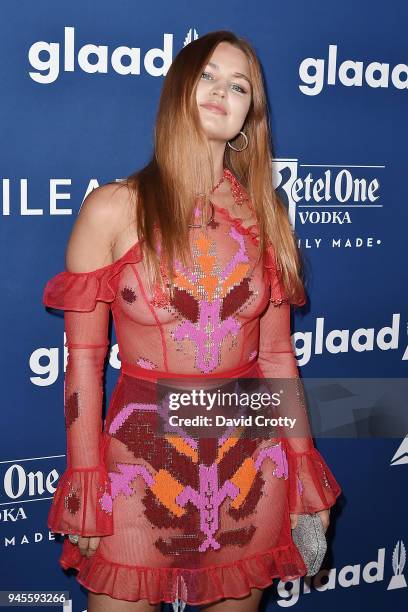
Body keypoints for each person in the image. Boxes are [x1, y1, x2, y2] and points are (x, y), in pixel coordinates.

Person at [43, 30, 341, 612]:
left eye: (239, 85)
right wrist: (86, 480)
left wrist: (303, 469)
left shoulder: (266, 214)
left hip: (249, 466)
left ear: (250, 114)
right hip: (137, 467)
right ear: (179, 86)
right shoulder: (112, 208)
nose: (221, 91)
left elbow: (278, 356)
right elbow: (81, 365)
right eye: (207, 75)